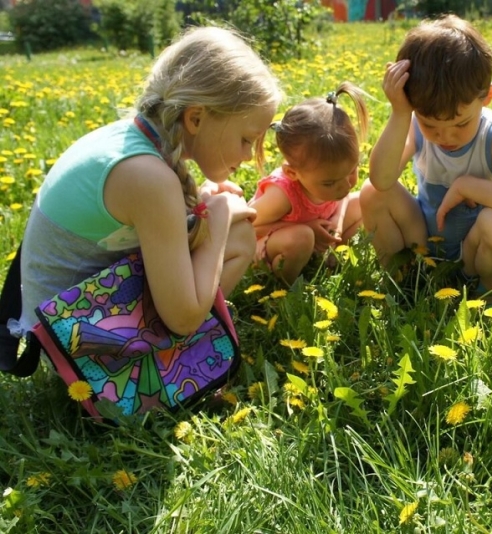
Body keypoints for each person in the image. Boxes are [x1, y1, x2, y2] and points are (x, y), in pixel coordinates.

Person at [18, 26, 282, 337]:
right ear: (196, 118)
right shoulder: (148, 177)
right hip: (78, 349)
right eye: (246, 139)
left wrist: (203, 206)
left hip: (74, 321)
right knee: (237, 237)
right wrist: (219, 217)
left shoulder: (134, 144)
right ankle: (181, 357)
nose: (250, 155)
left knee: (235, 234)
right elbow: (182, 320)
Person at [359, 14, 492, 300]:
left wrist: (467, 186)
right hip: (423, 239)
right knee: (372, 193)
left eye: (460, 124)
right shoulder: (409, 123)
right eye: (430, 124)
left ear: (487, 96)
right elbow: (382, 180)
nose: (445, 137)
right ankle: (405, 283)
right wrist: (400, 113)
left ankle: (488, 300)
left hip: (474, 250)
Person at [248, 82, 369, 284]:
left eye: (351, 172)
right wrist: (309, 228)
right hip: (273, 247)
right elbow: (247, 228)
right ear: (292, 173)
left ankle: (330, 255)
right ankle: (287, 286)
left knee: (365, 201)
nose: (345, 186)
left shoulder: (335, 179)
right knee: (302, 237)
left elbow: (344, 196)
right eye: (329, 183)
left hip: (316, 234)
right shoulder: (281, 196)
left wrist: (338, 218)